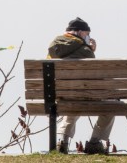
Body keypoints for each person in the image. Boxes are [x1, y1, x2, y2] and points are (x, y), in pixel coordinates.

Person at [48, 17, 114, 154]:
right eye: (86, 33)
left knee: (72, 103)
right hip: (82, 94)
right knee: (111, 105)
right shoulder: (85, 50)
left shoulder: (53, 47)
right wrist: (91, 50)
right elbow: (92, 78)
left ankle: (63, 142)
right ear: (78, 32)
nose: (88, 36)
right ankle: (95, 142)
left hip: (61, 97)